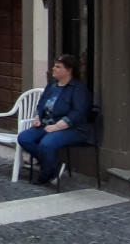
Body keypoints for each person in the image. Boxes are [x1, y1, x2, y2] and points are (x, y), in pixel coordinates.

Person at [17, 54, 92, 185]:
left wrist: (57, 127)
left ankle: (45, 174)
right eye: (54, 66)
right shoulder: (52, 85)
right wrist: (37, 116)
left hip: (72, 129)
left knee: (46, 144)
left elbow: (78, 112)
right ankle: (53, 166)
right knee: (24, 138)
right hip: (46, 125)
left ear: (69, 70)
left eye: (58, 67)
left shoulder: (78, 89)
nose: (54, 69)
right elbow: (41, 103)